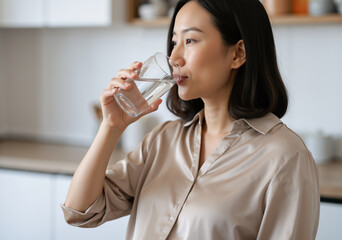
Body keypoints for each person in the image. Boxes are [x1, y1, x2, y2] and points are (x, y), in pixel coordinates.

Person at [62, 0, 320, 239]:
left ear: (238, 54)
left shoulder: (285, 157)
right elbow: (79, 211)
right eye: (174, 42)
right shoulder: (163, 140)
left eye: (191, 40)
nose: (174, 58)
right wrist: (111, 127)